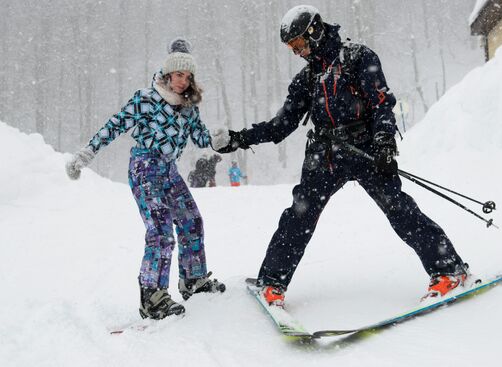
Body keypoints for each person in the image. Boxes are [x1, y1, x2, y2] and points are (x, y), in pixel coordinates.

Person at [211, 6, 469, 307]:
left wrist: (385, 144)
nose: (297, 52)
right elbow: (281, 125)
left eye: (299, 44)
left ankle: (448, 270)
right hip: (325, 155)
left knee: (398, 208)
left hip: (365, 149)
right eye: (291, 48)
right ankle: (272, 283)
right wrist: (239, 139)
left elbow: (382, 103)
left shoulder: (358, 57)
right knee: (299, 215)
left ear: (315, 32)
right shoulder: (307, 79)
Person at [66, 38, 225, 320]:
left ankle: (193, 280)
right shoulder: (146, 99)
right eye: (179, 75)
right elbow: (115, 126)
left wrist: (220, 139)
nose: (183, 82)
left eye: (188, 77)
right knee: (161, 231)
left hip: (169, 170)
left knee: (191, 220)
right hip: (144, 168)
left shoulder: (189, 107)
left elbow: (201, 137)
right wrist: (86, 153)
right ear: (167, 74)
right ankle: (152, 296)